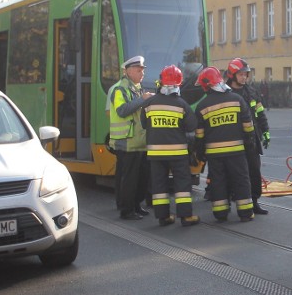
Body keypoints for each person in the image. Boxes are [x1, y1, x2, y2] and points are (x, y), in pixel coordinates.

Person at [194, 66, 256, 222]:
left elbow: (199, 135)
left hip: (215, 154)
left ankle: (220, 213)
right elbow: (248, 126)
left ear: (206, 85)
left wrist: (200, 152)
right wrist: (249, 144)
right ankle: (246, 213)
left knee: (218, 182)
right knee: (241, 180)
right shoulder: (237, 99)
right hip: (237, 152)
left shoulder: (202, 106)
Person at [141, 65, 198, 227]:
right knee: (182, 184)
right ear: (178, 85)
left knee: (159, 184)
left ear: (160, 83)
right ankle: (186, 216)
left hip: (155, 154)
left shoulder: (149, 104)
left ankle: (163, 217)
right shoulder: (182, 105)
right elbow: (191, 126)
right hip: (177, 153)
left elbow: (144, 124)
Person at [108, 55, 155, 221]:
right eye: (138, 70)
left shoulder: (138, 88)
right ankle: (127, 210)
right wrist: (142, 100)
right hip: (126, 142)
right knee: (129, 179)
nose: (142, 73)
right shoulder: (119, 89)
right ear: (127, 71)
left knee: (140, 178)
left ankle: (136, 206)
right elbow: (122, 110)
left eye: (142, 70)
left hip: (139, 142)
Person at [224, 57, 270, 215]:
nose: (244, 77)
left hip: (252, 138)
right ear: (232, 75)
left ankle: (254, 201)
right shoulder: (225, 92)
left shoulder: (251, 91)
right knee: (233, 172)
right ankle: (229, 199)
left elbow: (260, 113)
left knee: (254, 171)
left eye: (246, 74)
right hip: (232, 138)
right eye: (241, 74)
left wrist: (265, 131)